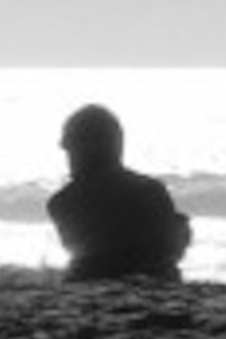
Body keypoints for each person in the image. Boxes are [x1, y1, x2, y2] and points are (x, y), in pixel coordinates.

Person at [48, 103, 191, 282]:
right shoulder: (152, 190)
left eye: (70, 148)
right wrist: (179, 230)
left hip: (96, 280)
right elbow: (168, 252)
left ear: (83, 149)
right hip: (152, 281)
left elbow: (91, 256)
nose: (68, 157)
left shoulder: (63, 202)